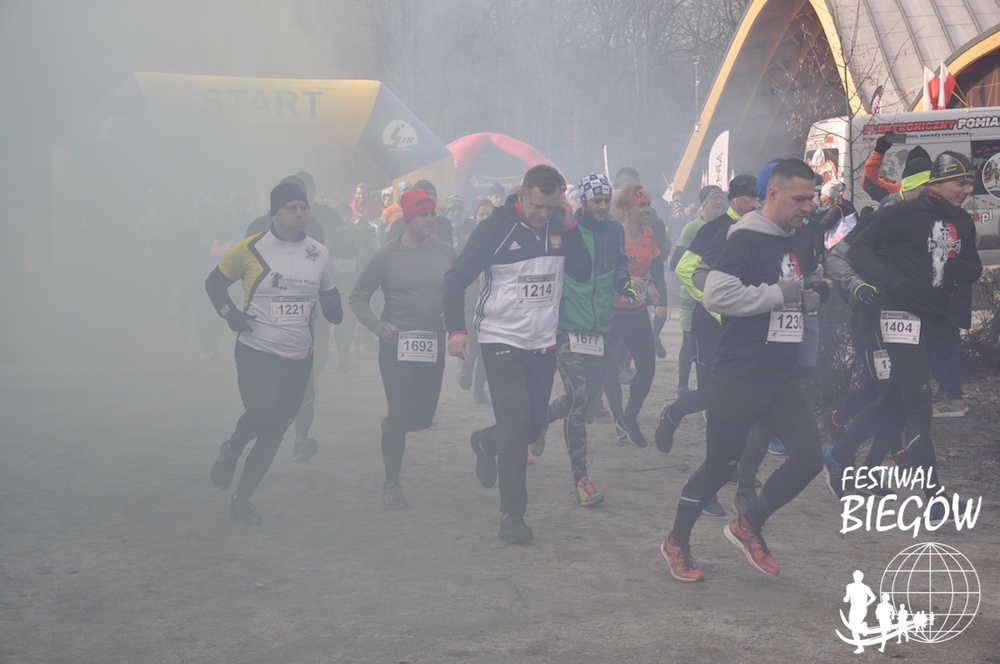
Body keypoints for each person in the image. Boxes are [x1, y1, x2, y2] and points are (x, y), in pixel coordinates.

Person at [660, 159, 825, 582]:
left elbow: (798, 283)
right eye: (799, 198)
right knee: (720, 467)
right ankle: (677, 542)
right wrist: (779, 294)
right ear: (773, 194)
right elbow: (716, 294)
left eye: (811, 198)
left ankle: (747, 525)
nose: (807, 207)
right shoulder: (745, 238)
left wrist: (811, 294)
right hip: (740, 374)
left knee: (809, 459)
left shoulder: (800, 235)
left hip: (781, 376)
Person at [444, 165, 591, 543]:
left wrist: (571, 227)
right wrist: (456, 329)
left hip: (542, 343)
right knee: (514, 427)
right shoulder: (496, 228)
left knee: (531, 426)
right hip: (501, 340)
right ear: (521, 194)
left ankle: (485, 442)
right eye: (537, 206)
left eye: (550, 207)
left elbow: (582, 272)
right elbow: (456, 277)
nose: (543, 214)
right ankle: (512, 516)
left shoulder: (560, 226)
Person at [827, 152, 982, 513]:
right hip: (899, 315)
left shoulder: (962, 221)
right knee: (918, 403)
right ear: (937, 183)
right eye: (960, 182)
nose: (966, 190)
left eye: (970, 183)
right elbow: (857, 249)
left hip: (934, 318)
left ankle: (838, 455)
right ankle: (935, 496)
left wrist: (955, 267)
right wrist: (889, 283)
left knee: (894, 403)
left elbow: (973, 267)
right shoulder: (902, 214)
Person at [206, 181, 342, 524]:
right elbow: (214, 283)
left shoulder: (319, 252)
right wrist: (229, 314)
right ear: (274, 213)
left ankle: (242, 497)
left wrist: (333, 306)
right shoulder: (251, 248)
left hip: (298, 357)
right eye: (291, 208)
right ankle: (232, 449)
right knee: (263, 412)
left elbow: (329, 290)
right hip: (257, 349)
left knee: (276, 429)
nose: (300, 214)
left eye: (304, 208)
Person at [656, 175, 758, 517]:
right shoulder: (716, 229)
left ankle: (736, 475)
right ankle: (676, 415)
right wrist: (717, 303)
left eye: (758, 197)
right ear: (734, 200)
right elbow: (683, 267)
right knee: (715, 398)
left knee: (739, 400)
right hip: (711, 325)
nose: (755, 203)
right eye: (749, 198)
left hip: (744, 328)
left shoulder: (761, 230)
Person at [350, 189, 456, 509]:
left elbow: (461, 291)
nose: (430, 219)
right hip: (396, 348)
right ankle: (392, 484)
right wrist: (377, 325)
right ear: (408, 218)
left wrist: (453, 317)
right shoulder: (385, 256)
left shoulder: (447, 253)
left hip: (432, 347)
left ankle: (392, 426)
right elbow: (357, 296)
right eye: (423, 214)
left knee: (422, 418)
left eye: (432, 213)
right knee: (399, 414)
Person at [824, 152, 931, 464]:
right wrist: (857, 286)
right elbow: (836, 256)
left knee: (890, 389)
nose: (931, 197)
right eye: (925, 190)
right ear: (910, 188)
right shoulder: (882, 218)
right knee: (886, 390)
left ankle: (843, 425)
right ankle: (885, 452)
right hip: (871, 317)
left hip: (906, 320)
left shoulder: (932, 221)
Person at [542, 172, 635, 506]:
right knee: (580, 400)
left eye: (607, 200)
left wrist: (624, 283)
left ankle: (540, 421)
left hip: (600, 328)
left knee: (579, 399)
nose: (603, 206)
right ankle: (581, 480)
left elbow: (620, 263)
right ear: (583, 200)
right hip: (567, 326)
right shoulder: (565, 228)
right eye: (597, 200)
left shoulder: (614, 230)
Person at [603, 185, 661, 447]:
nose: (647, 209)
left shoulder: (649, 234)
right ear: (626, 210)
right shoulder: (613, 236)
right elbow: (601, 273)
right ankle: (618, 418)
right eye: (642, 205)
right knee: (608, 370)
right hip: (612, 314)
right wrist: (624, 283)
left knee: (647, 368)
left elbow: (653, 267)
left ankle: (628, 418)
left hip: (637, 313)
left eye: (648, 204)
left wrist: (652, 285)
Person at [670, 185, 726, 395]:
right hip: (692, 296)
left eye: (721, 198)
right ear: (703, 203)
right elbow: (676, 263)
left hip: (716, 294)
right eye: (714, 199)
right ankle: (682, 388)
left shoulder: (726, 226)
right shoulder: (693, 228)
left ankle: (708, 389)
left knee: (712, 344)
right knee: (690, 342)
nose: (719, 202)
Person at [457, 198, 495, 404]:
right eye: (482, 214)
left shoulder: (501, 240)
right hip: (471, 300)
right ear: (475, 216)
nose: (485, 218)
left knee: (488, 350)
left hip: (494, 302)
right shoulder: (464, 241)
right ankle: (467, 368)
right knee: (473, 344)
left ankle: (479, 389)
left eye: (489, 214)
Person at [385, 180, 454, 245]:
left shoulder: (444, 223)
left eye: (433, 194)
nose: (431, 197)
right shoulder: (399, 225)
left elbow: (448, 250)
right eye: (426, 193)